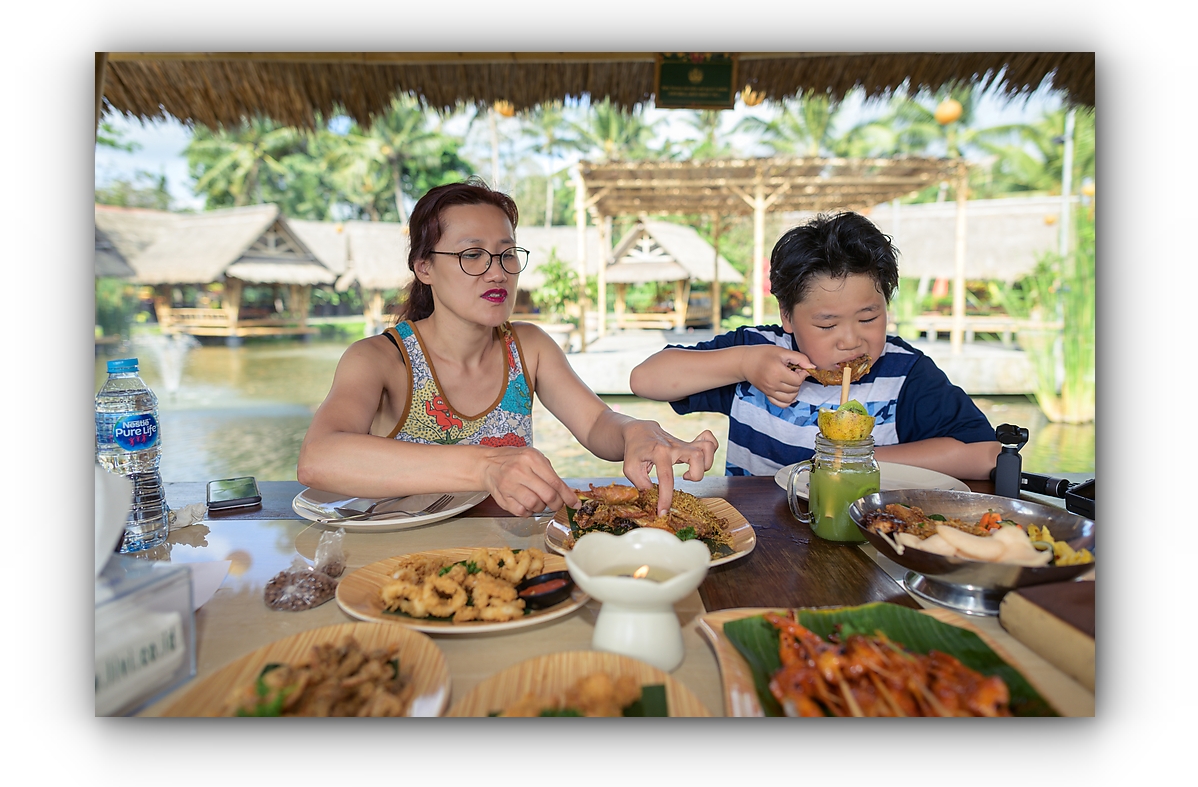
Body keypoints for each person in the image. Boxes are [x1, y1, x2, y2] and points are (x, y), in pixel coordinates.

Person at [298, 178, 717, 517]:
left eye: (507, 254)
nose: (497, 272)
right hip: (405, 559)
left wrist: (633, 432)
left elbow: (595, 424)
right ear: (424, 267)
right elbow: (319, 458)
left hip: (510, 551)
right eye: (472, 255)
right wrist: (486, 467)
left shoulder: (528, 346)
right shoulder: (381, 358)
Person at [629, 211, 1000, 480]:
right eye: (827, 324)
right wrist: (743, 364)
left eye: (869, 318)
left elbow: (987, 455)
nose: (851, 340)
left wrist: (856, 459)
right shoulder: (759, 354)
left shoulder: (905, 374)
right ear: (787, 315)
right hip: (757, 537)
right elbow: (645, 380)